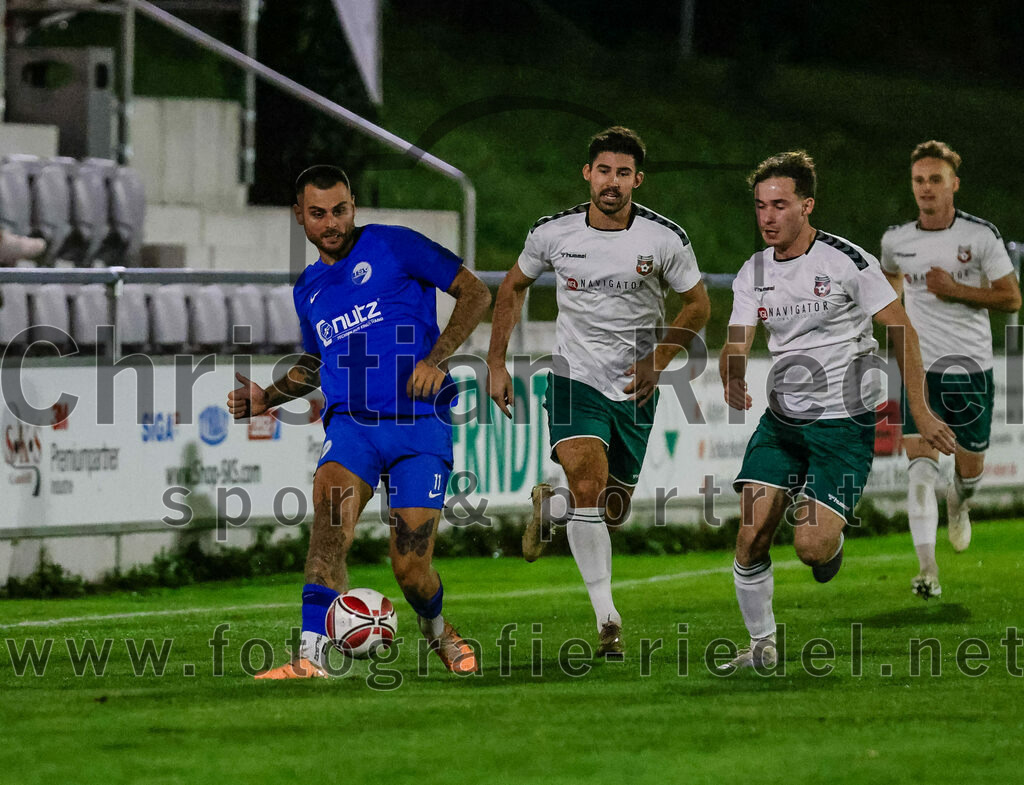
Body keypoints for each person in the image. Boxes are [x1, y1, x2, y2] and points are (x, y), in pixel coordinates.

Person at [228, 165, 491, 678]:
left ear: (353, 207)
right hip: (352, 427)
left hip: (419, 425)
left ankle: (438, 630)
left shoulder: (394, 244)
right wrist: (268, 398)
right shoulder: (308, 288)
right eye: (318, 214)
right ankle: (309, 657)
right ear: (299, 216)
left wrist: (434, 360)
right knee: (328, 534)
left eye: (340, 210)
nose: (331, 223)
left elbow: (476, 292)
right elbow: (314, 362)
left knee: (410, 569)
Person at [718, 151, 955, 671]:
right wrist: (732, 368)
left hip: (844, 426)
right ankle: (761, 646)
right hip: (782, 424)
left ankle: (830, 541)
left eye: (779, 205)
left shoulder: (846, 261)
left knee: (810, 548)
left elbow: (901, 329)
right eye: (760, 206)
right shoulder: (753, 272)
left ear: (807, 206)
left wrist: (920, 411)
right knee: (750, 535)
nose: (767, 217)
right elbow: (737, 338)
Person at [487, 126, 711, 658]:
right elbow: (513, 286)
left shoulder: (664, 238)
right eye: (604, 170)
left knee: (611, 510)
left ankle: (554, 507)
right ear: (587, 173)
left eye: (624, 173)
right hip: (575, 377)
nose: (613, 181)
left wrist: (657, 362)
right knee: (590, 484)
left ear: (638, 180)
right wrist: (495, 361)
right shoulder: (553, 232)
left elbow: (699, 305)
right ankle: (607, 620)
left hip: (635, 386)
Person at [880, 141, 1021, 600]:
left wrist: (956, 289)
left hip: (971, 370)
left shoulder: (980, 236)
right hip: (920, 371)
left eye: (935, 179)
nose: (926, 188)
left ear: (954, 184)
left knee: (969, 475)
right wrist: (892, 315)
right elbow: (889, 282)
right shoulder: (896, 240)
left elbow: (1011, 298)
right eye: (919, 180)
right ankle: (927, 570)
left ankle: (959, 506)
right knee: (920, 469)